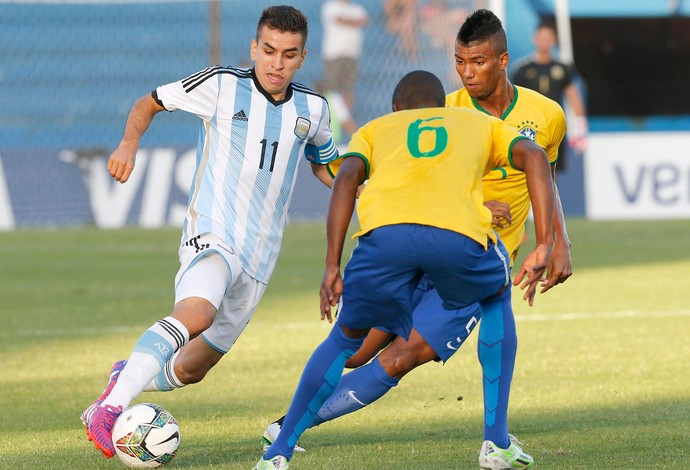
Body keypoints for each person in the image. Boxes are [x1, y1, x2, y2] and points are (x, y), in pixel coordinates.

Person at [261, 9, 573, 469]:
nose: (467, 73)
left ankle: (290, 430)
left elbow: (542, 173)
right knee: (357, 353)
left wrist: (557, 239)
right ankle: (290, 431)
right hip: (445, 246)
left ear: (503, 61)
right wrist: (474, 208)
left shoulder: (546, 115)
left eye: (478, 63)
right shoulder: (444, 109)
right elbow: (415, 174)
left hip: (475, 254)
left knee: (405, 354)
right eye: (460, 62)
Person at [79, 5, 339, 460]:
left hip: (261, 254)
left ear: (302, 57)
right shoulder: (221, 84)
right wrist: (128, 143)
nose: (277, 63)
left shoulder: (312, 109)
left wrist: (366, 191)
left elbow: (325, 164)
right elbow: (149, 103)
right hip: (213, 233)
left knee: (193, 368)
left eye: (289, 54)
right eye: (270, 51)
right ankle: (110, 409)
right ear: (254, 48)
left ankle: (126, 375)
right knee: (196, 313)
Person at [510, 21, 588, 169]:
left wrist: (580, 125)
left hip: (554, 127)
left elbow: (573, 96)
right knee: (529, 169)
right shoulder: (523, 69)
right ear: (535, 39)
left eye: (548, 38)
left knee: (552, 171)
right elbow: (512, 97)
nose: (544, 42)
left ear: (554, 40)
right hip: (529, 127)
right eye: (541, 38)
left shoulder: (562, 68)